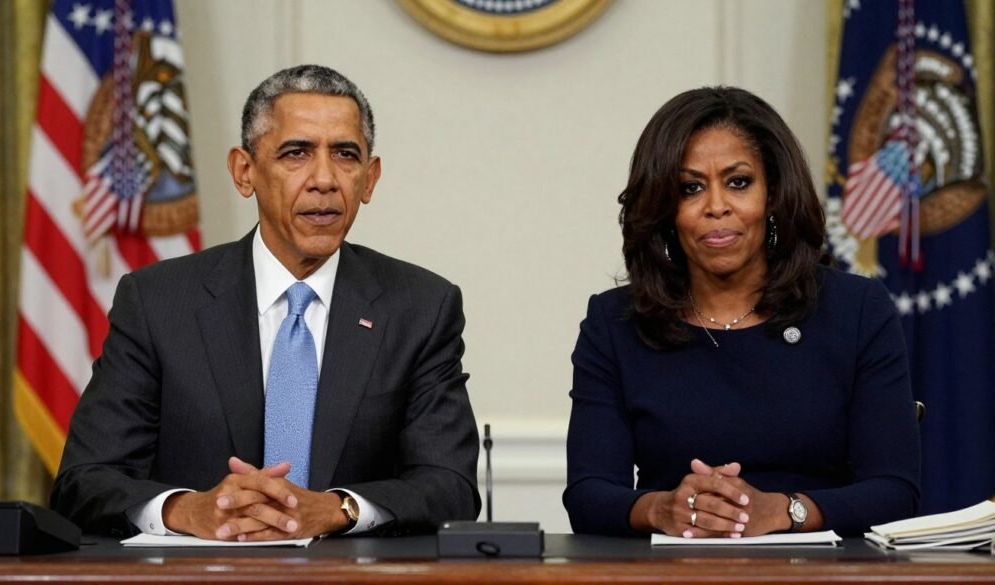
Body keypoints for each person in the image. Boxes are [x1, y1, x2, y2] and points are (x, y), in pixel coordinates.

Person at [51, 65, 481, 540]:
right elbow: (83, 482)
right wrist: (187, 511)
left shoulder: (420, 307)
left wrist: (340, 509)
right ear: (244, 171)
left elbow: (450, 486)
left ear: (370, 179)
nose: (324, 179)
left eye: (345, 155)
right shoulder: (157, 303)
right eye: (296, 153)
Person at [562, 87, 920, 538]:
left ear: (772, 194)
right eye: (690, 188)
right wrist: (663, 509)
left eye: (738, 182)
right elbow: (588, 495)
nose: (716, 206)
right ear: (664, 208)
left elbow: (895, 490)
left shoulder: (856, 310)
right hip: (672, 571)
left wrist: (784, 511)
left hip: (823, 573)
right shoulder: (615, 323)